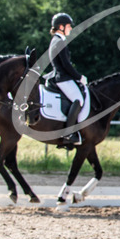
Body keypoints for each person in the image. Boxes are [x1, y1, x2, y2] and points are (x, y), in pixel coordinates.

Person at [48, 12, 87, 145]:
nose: (70, 29)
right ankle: (69, 134)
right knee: (79, 100)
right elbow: (66, 65)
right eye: (69, 26)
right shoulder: (60, 42)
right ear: (61, 27)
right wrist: (79, 77)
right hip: (62, 78)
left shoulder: (57, 41)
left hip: (61, 76)